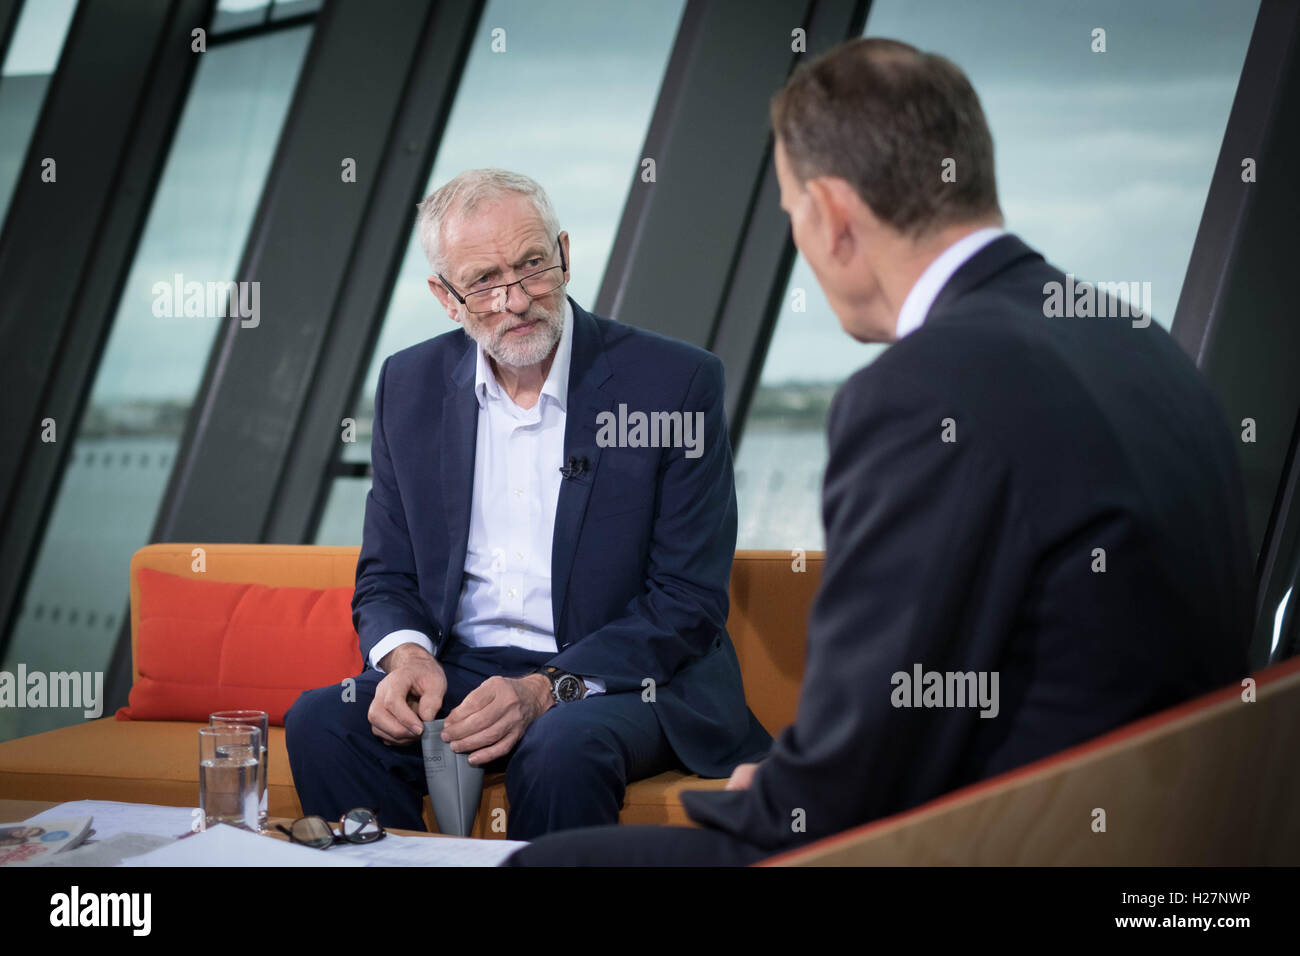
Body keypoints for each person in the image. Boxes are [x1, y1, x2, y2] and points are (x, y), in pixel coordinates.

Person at [506, 37, 1252, 866]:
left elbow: (860, 768)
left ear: (828, 213)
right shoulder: (1136, 340)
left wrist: (777, 795)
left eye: (792, 212)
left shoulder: (927, 392)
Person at [285, 169, 770, 841]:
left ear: (564, 254)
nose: (515, 299)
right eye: (484, 280)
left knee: (560, 747)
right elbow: (387, 575)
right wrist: (408, 657)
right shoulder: (409, 384)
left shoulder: (673, 383)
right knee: (321, 722)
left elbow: (686, 599)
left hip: (624, 679)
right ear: (446, 297)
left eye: (533, 265)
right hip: (465, 668)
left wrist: (545, 687)